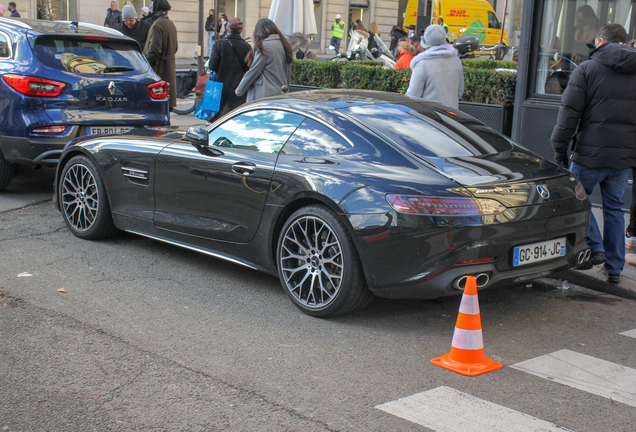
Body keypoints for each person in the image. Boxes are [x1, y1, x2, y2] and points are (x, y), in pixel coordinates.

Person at [551, 24, 636, 284]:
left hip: (589, 153)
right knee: (613, 209)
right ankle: (614, 269)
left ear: (600, 41)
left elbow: (568, 115)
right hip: (623, 157)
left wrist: (559, 148)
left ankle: (596, 247)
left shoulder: (587, 70)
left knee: (579, 200)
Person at [235, 18, 293, 102]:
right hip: (280, 93)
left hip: (264, 94)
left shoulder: (264, 46)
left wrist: (239, 90)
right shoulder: (284, 45)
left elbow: (254, 71)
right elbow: (287, 71)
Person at [406, 24, 463, 109]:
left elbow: (412, 96)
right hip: (452, 115)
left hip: (430, 117)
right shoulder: (456, 60)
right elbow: (460, 92)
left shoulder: (422, 63)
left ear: (425, 42)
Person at [209, 18, 251, 121]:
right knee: (236, 118)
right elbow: (248, 69)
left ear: (228, 29)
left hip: (220, 87)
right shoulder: (247, 47)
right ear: (241, 30)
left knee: (218, 119)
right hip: (239, 88)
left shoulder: (220, 44)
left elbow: (212, 66)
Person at [143, 0, 178, 110]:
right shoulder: (170, 24)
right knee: (166, 107)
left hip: (160, 69)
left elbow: (154, 50)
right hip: (169, 68)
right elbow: (175, 47)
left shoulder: (157, 25)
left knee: (158, 105)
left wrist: (145, 63)